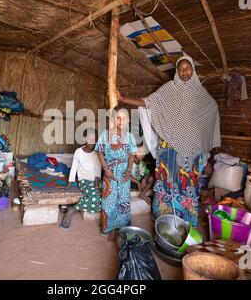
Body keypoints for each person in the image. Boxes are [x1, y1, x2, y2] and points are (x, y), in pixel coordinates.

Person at [117, 55, 221, 227]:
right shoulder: (168, 90)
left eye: (187, 68)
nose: (184, 71)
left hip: (192, 150)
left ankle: (185, 222)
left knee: (188, 183)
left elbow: (212, 110)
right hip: (169, 147)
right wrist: (124, 99)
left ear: (193, 70)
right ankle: (163, 220)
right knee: (166, 180)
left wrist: (203, 143)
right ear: (177, 72)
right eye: (181, 68)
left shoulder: (203, 96)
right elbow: (148, 102)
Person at [95, 105, 137, 240]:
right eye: (118, 118)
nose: (121, 121)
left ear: (129, 120)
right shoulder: (105, 134)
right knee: (109, 200)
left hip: (124, 172)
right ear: (114, 119)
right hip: (110, 172)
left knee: (124, 201)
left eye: (124, 118)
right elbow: (100, 152)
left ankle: (123, 228)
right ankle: (107, 228)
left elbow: (131, 155)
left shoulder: (130, 136)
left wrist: (129, 170)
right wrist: (106, 169)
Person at [60, 128, 102, 230]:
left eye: (94, 139)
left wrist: (96, 186)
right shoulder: (78, 152)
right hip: (84, 180)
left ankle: (73, 208)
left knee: (101, 197)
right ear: (84, 139)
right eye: (89, 139)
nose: (92, 142)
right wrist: (69, 183)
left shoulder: (97, 153)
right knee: (96, 197)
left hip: (95, 180)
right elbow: (74, 168)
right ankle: (71, 212)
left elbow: (98, 170)